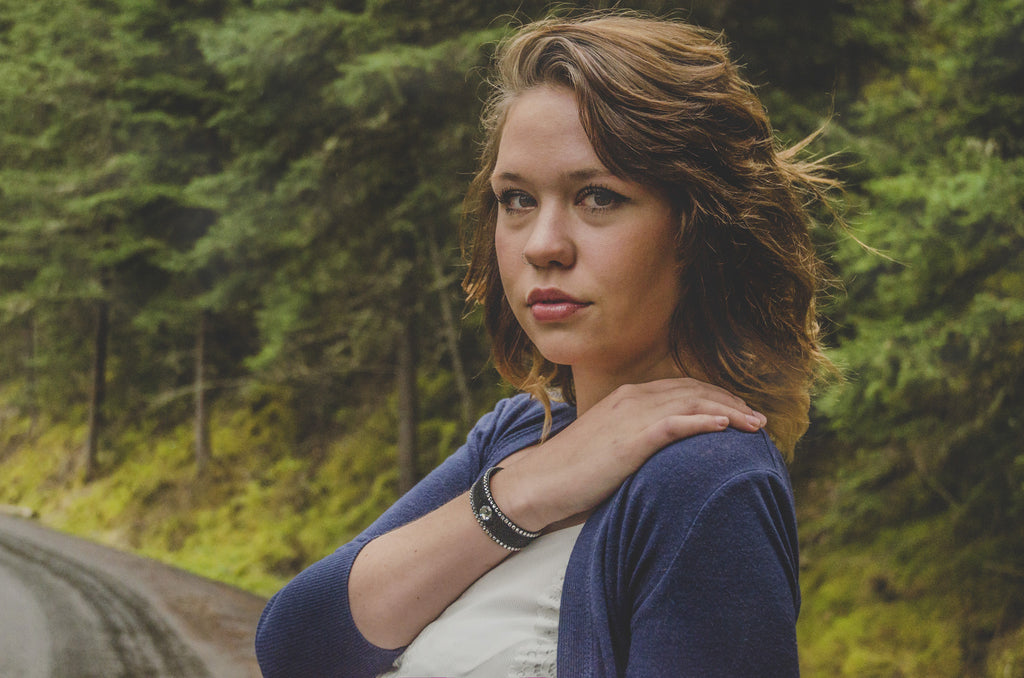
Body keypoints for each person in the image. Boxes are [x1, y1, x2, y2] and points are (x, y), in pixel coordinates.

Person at [256, 11, 838, 678]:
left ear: (699, 228)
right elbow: (298, 644)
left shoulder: (707, 484)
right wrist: (526, 492)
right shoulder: (522, 433)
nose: (542, 245)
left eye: (597, 197)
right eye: (516, 200)